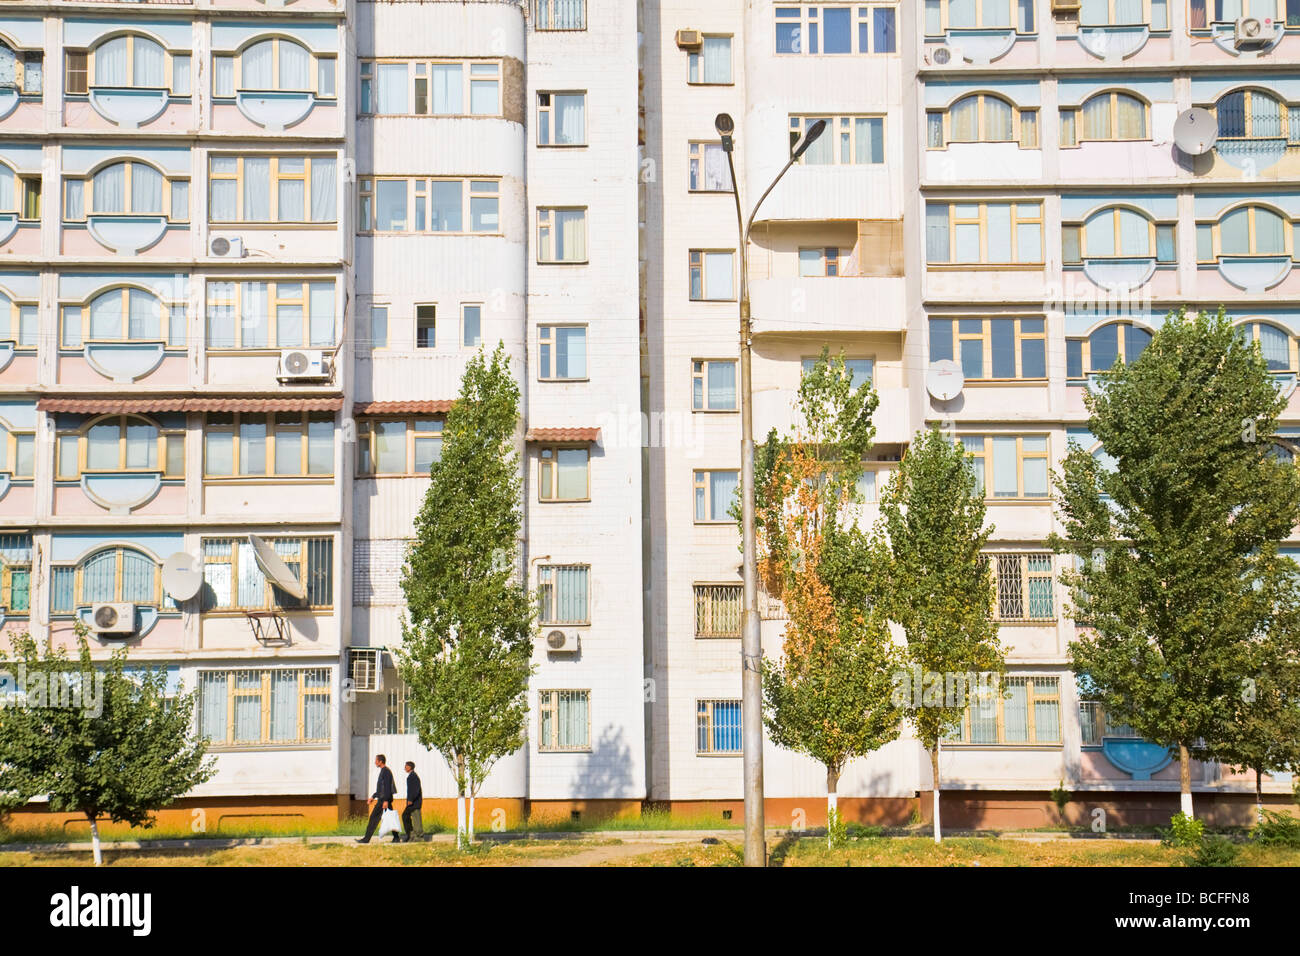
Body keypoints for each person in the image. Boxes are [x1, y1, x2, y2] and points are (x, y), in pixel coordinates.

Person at [357, 754, 399, 844]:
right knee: (390, 818)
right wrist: (373, 796)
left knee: (373, 818)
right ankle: (396, 838)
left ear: (380, 761)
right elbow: (380, 789)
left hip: (384, 800)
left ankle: (366, 839)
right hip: (383, 799)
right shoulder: (383, 771)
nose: (375, 762)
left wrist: (386, 801)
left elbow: (387, 787)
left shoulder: (386, 772)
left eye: (376, 760)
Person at [401, 760, 425, 842]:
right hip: (412, 802)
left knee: (416, 818)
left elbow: (415, 790)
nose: (404, 768)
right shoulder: (411, 776)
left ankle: (419, 836)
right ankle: (411, 835)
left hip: (415, 803)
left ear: (410, 767)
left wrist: (411, 799)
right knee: (405, 816)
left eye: (406, 766)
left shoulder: (413, 777)